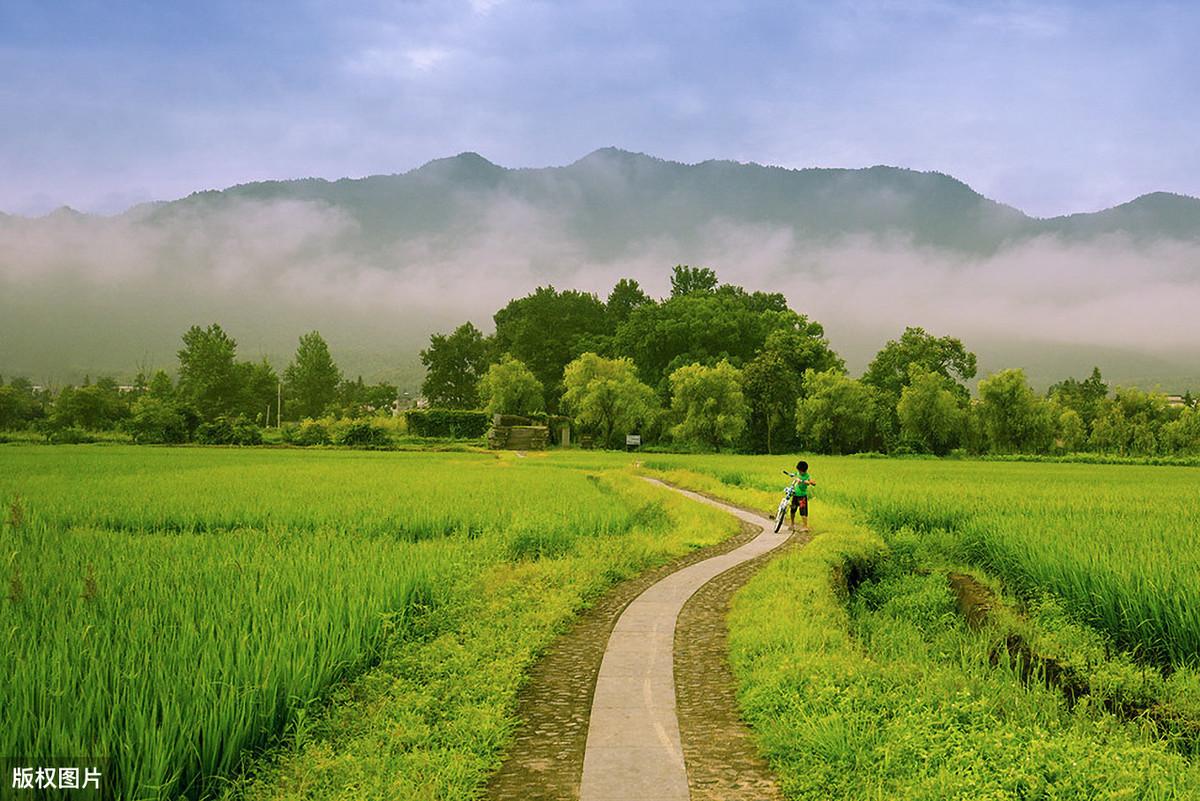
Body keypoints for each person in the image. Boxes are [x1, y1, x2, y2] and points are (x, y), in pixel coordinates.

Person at [784, 460, 816, 532]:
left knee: (803, 511)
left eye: (801, 471)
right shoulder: (798, 473)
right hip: (795, 495)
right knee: (793, 509)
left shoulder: (807, 476)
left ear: (804, 471)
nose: (800, 472)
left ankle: (805, 526)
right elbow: (795, 474)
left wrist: (804, 481)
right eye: (799, 470)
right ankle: (792, 524)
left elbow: (812, 482)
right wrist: (792, 475)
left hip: (802, 496)